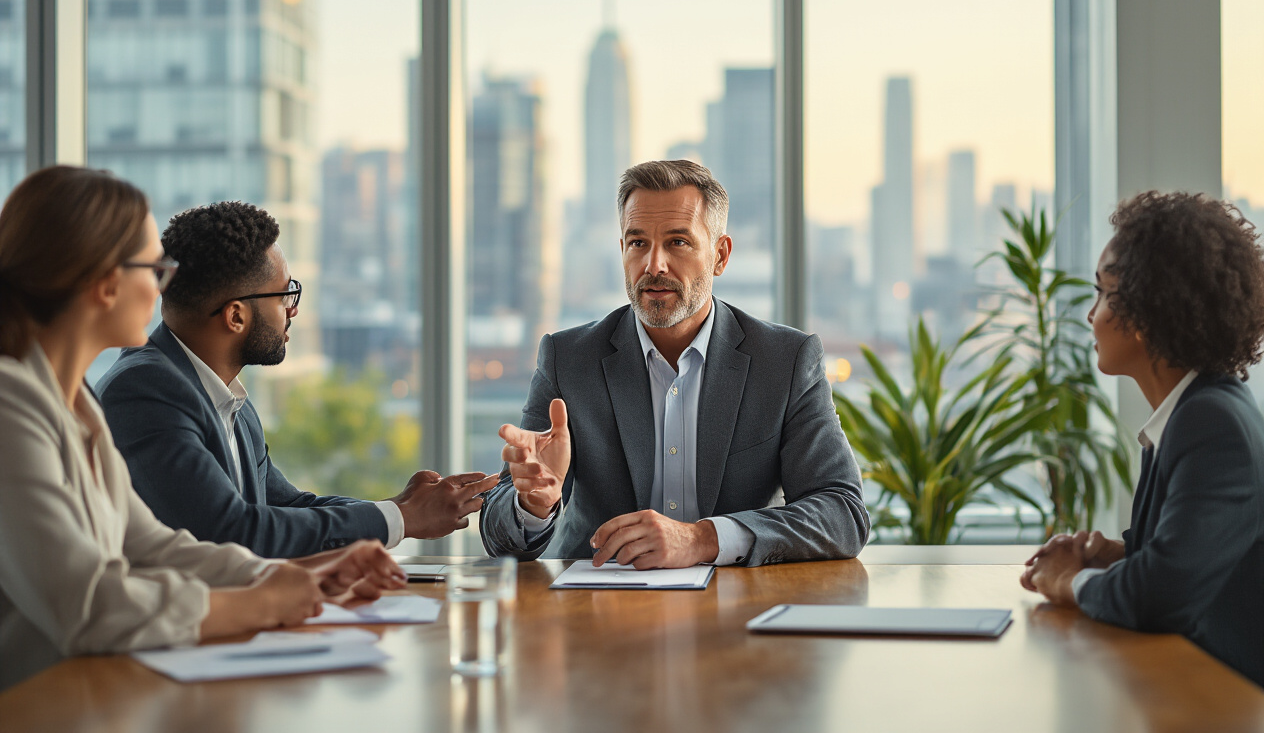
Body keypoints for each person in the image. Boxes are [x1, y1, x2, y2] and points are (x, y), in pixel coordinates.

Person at [0, 166, 406, 691]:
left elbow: (152, 545)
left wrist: (288, 577)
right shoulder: (11, 406)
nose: (164, 288)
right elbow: (87, 606)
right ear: (105, 284)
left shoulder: (75, 401)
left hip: (90, 692)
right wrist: (255, 603)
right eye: (155, 269)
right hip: (33, 703)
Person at [480, 160, 870, 568]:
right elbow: (498, 530)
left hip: (738, 610)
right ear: (622, 251)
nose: (654, 266)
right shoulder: (569, 360)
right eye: (638, 243)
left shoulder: (784, 361)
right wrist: (532, 505)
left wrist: (703, 539)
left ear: (720, 255)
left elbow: (843, 512)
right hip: (596, 609)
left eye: (677, 242)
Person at [96, 201, 497, 559]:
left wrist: (398, 506)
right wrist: (402, 518)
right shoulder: (146, 392)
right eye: (285, 295)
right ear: (236, 316)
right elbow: (231, 533)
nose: (293, 311)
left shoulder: (225, 395)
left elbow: (288, 506)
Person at [1021, 191, 1264, 687]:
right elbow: (1182, 552)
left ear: (1150, 313)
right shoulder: (1190, 411)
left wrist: (1072, 580)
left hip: (1227, 703)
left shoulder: (1210, 424)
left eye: (1104, 294)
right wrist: (1114, 553)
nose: (1092, 315)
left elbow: (1161, 595)